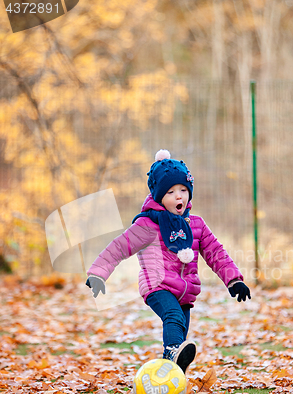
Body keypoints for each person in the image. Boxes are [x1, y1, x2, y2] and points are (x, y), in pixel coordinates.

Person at [86, 149, 251, 374]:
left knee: (180, 335)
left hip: (186, 292)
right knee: (172, 319)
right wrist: (98, 273)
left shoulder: (197, 225)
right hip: (158, 286)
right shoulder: (147, 225)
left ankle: (171, 376)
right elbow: (119, 247)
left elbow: (216, 253)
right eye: (171, 192)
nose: (179, 196)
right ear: (159, 196)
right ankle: (172, 352)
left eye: (183, 190)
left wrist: (234, 280)